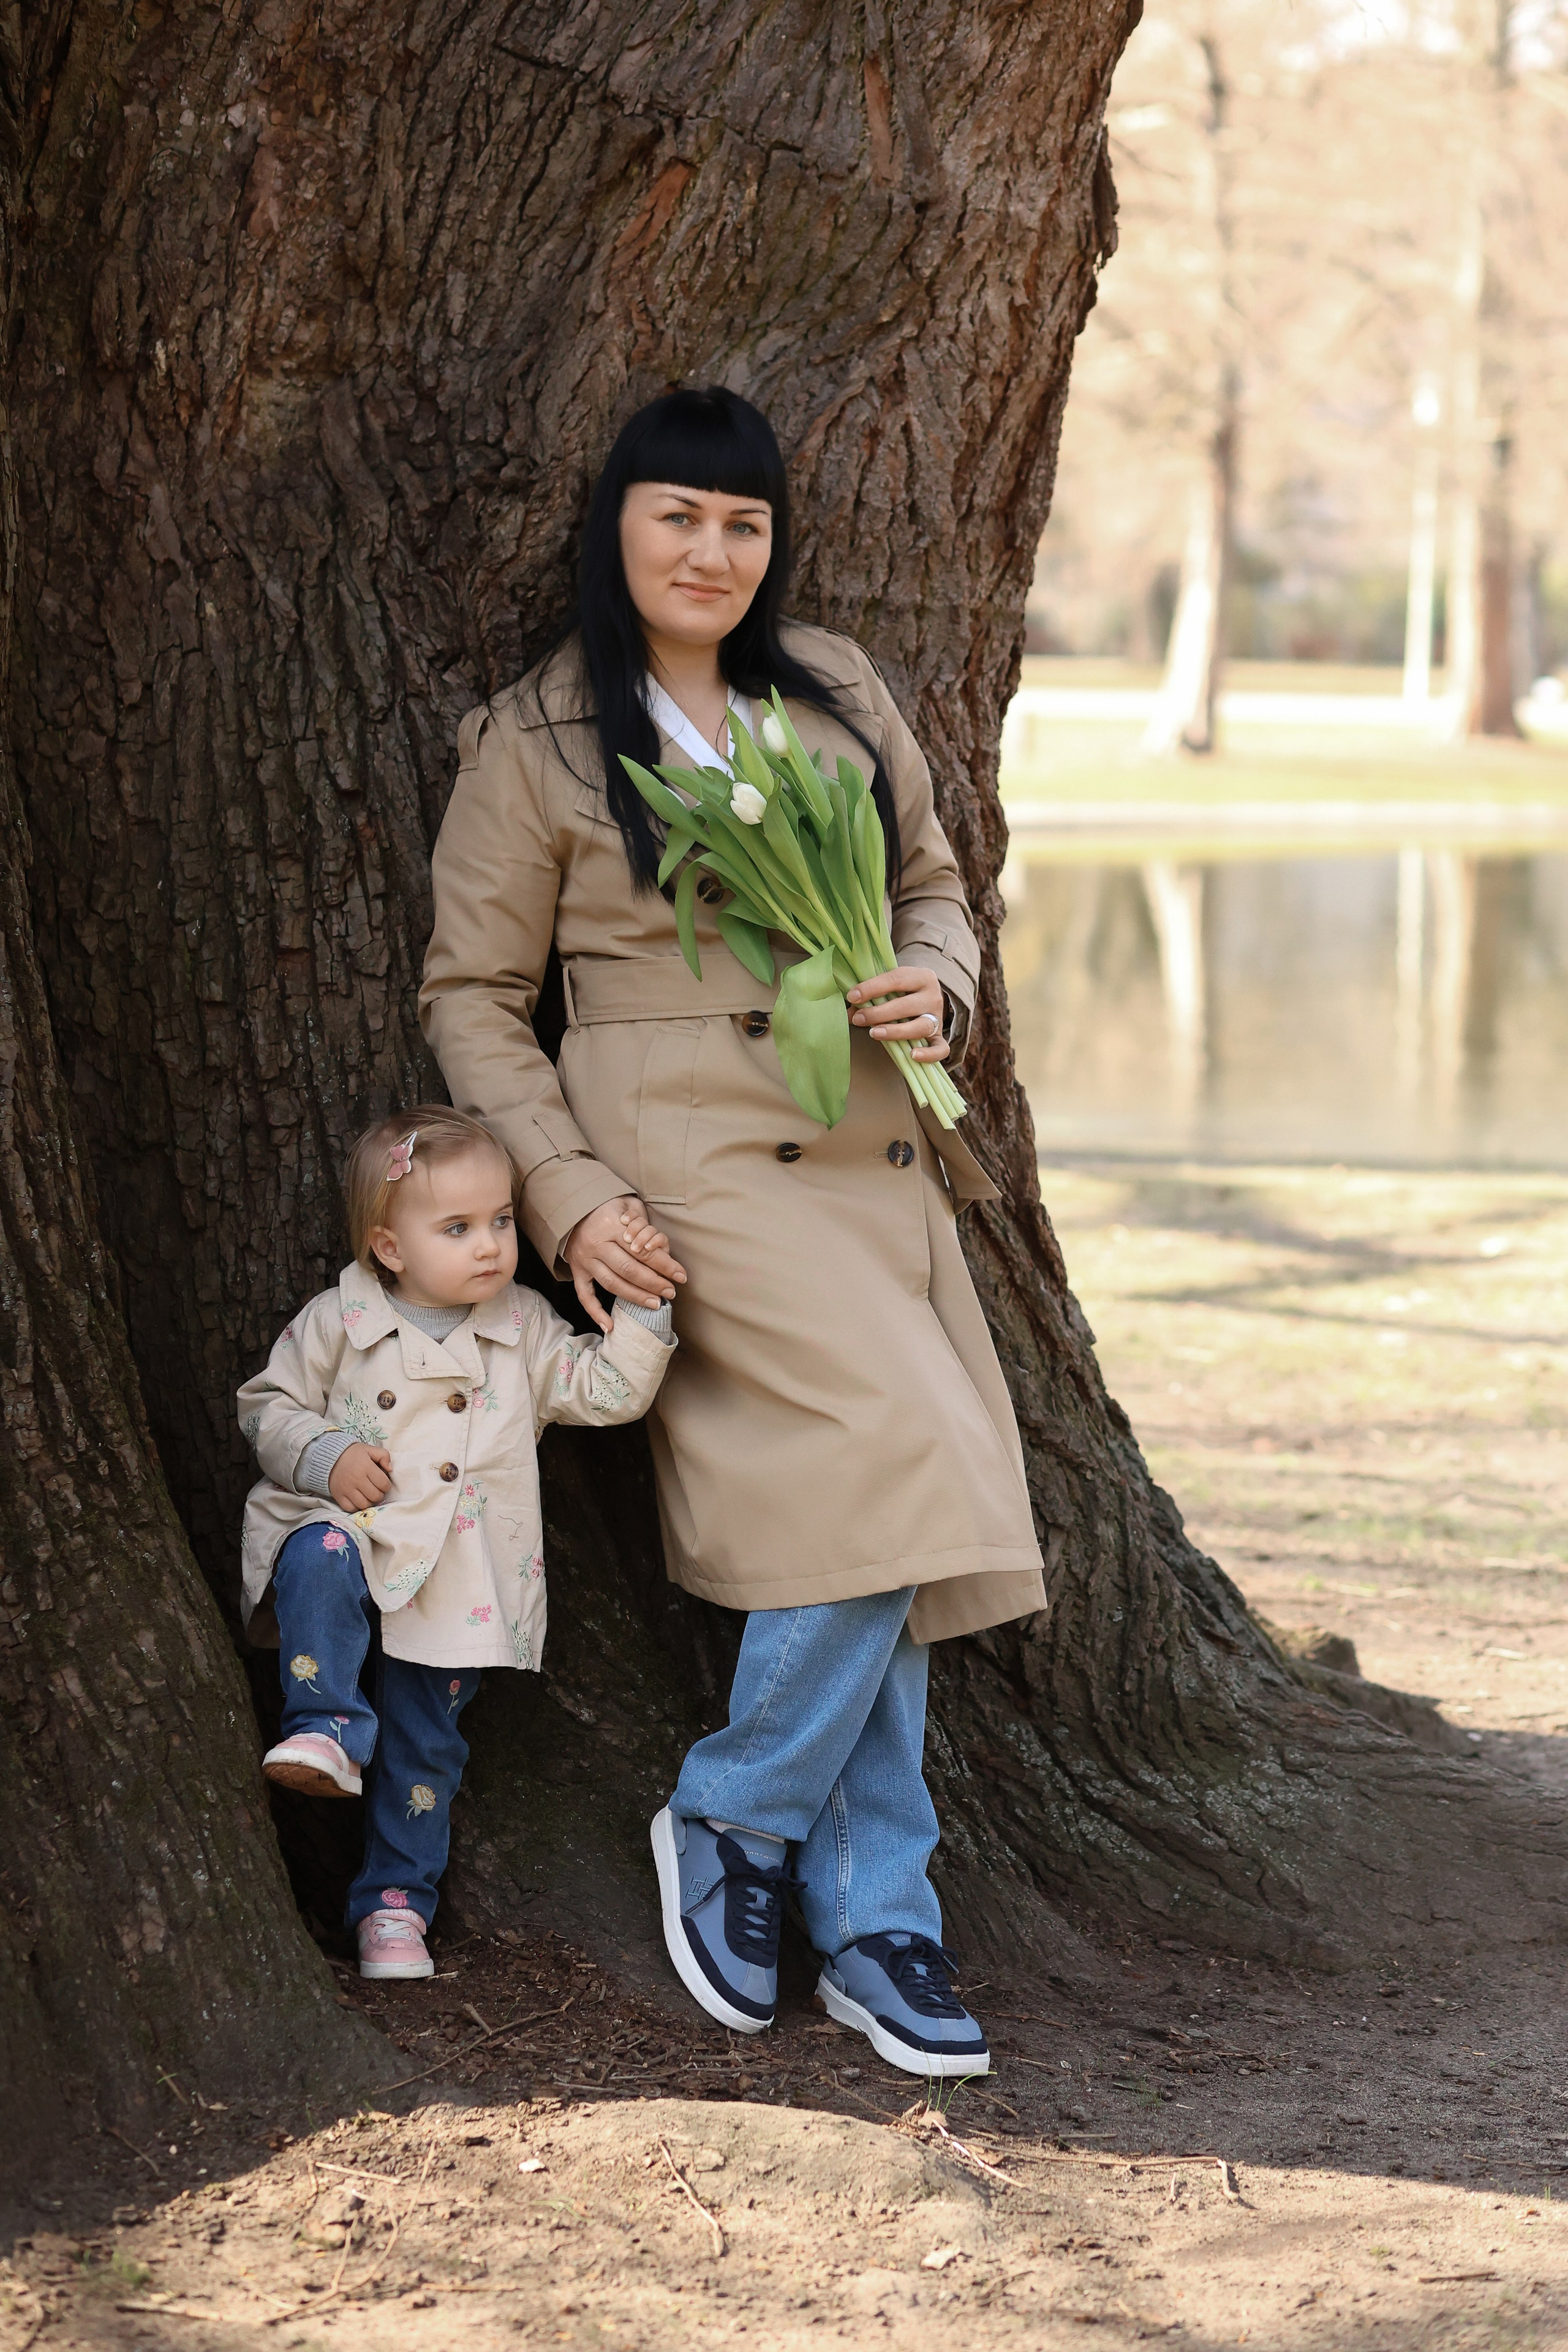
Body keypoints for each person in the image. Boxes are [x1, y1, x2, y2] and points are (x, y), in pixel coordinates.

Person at [420, 386, 1044, 2075]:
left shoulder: (836, 688)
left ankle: (869, 1908)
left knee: (880, 1497)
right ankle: (744, 1818)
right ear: (615, 525)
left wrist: (946, 981)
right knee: (906, 1444)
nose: (711, 551)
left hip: (867, 1142)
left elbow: (933, 882)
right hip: (681, 1155)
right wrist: (567, 1192)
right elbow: (475, 997)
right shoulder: (537, 738)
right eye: (678, 515)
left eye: (742, 524)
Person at [236, 1104, 675, 1980]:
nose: (490, 1245)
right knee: (317, 1558)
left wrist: (644, 1311)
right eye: (459, 1227)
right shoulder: (338, 1319)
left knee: (426, 1744)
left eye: (503, 1222)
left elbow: (602, 1389)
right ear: (390, 1249)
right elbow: (267, 1405)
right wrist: (324, 1457)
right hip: (353, 1526)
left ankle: (396, 1908)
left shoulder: (520, 1328)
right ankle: (322, 1725)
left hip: (456, 1572)